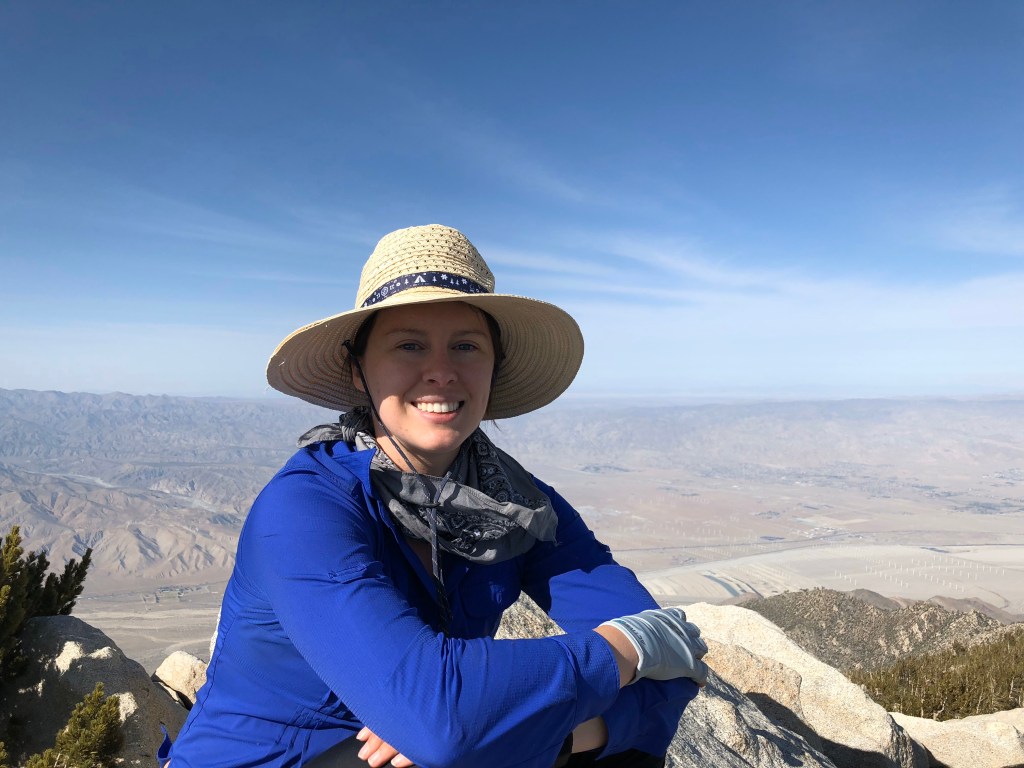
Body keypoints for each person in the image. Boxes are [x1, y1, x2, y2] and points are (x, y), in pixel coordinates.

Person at [163, 224, 709, 768]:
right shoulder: (306, 508)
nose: (441, 373)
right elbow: (441, 721)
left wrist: (505, 727)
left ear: (494, 367)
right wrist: (624, 650)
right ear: (358, 370)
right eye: (409, 345)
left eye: (466, 347)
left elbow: (677, 663)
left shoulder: (518, 508)